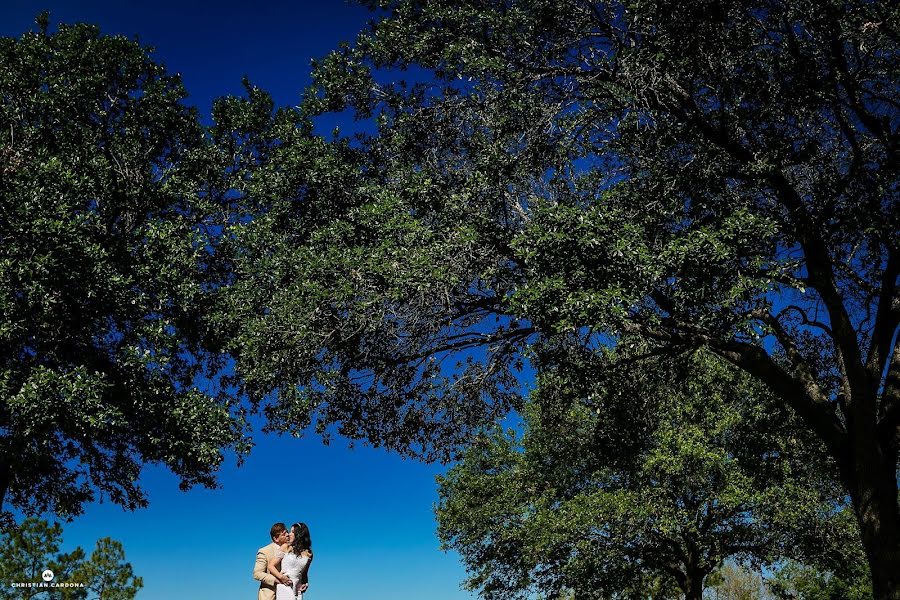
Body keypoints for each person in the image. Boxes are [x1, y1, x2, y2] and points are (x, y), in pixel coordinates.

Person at [268, 522, 313, 600]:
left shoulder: (309, 554)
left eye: (292, 532)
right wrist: (281, 577)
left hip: (297, 590)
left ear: (299, 534)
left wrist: (305, 584)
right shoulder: (286, 547)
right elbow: (270, 566)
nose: (289, 534)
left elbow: (304, 574)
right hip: (284, 586)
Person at [254, 523, 292, 600]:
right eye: (284, 534)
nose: (288, 535)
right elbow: (257, 573)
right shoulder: (264, 551)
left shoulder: (292, 549)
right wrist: (276, 579)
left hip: (289, 593)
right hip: (270, 595)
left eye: (287, 532)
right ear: (276, 538)